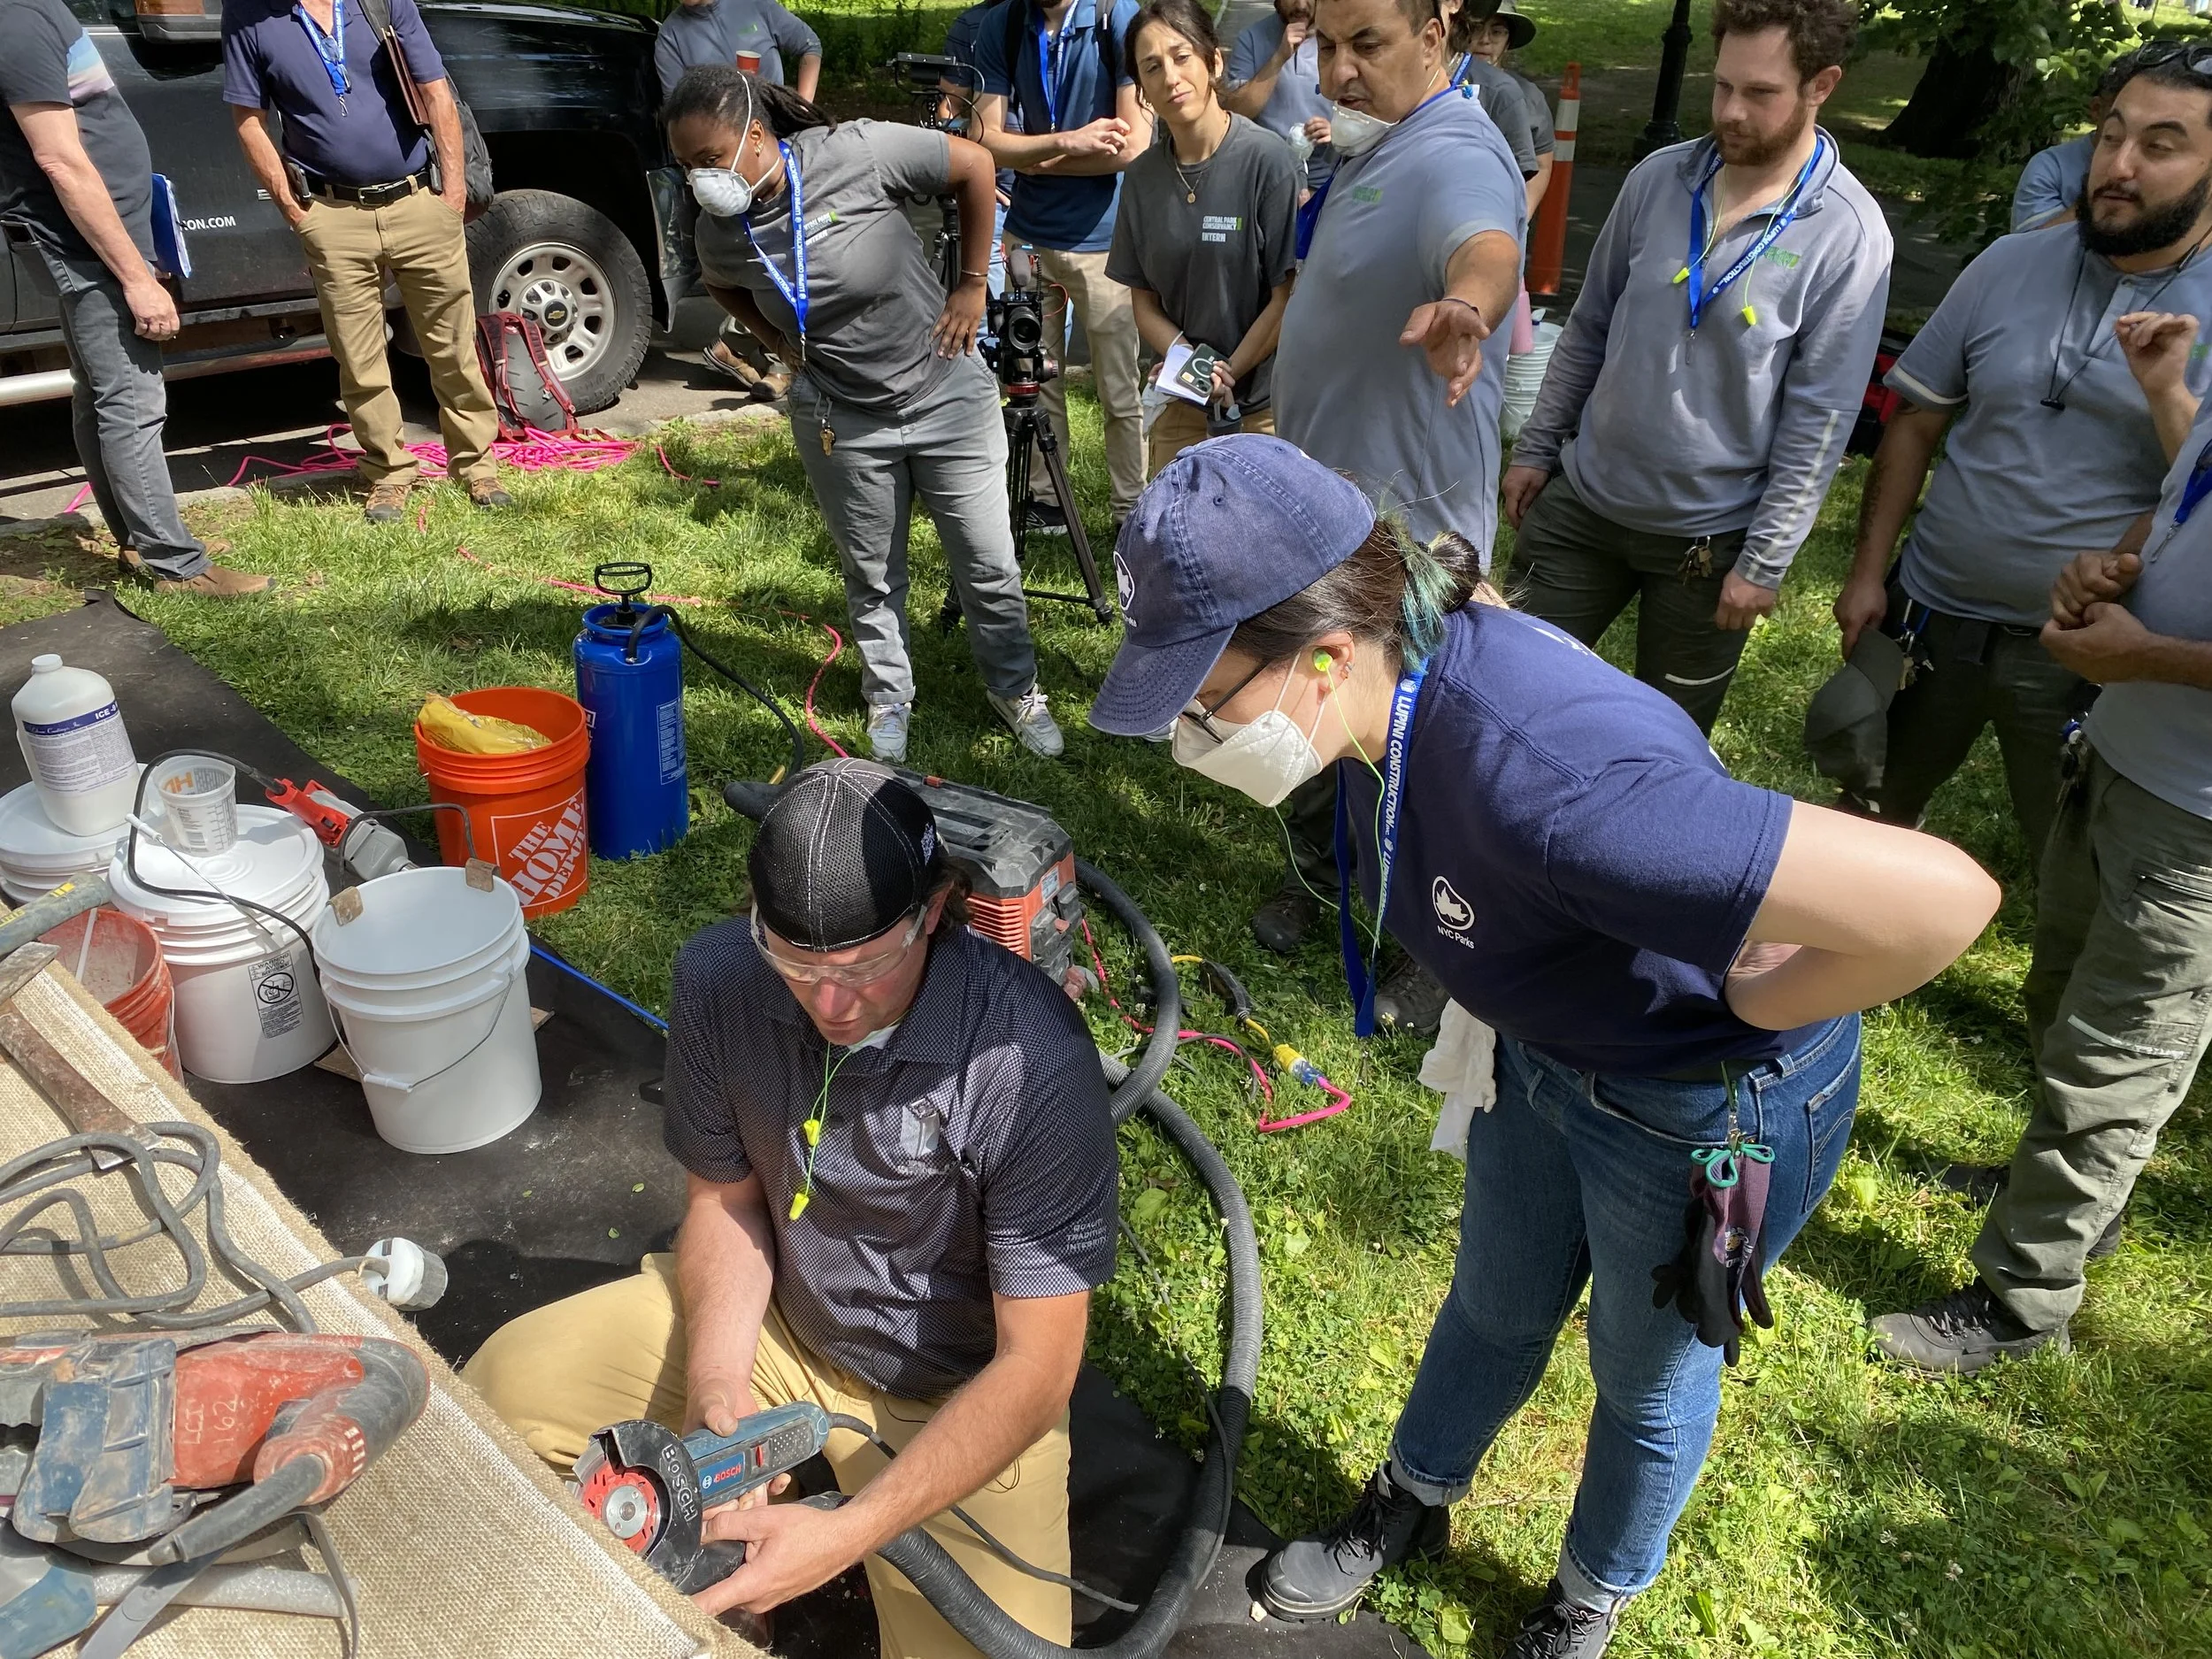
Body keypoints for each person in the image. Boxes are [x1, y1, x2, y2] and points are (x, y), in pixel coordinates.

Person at [1092, 436, 1998, 1657]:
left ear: (1324, 651)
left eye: (1206, 693)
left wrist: (1761, 1017)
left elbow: (1949, 898)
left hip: (1690, 1106)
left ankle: (1590, 1590)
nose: (1195, 729)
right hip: (1543, 1055)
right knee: (1493, 1300)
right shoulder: (1393, 678)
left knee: (1647, 1374)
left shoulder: (1563, 788)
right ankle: (1414, 1495)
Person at [467, 759, 1117, 1659]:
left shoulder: (1030, 1060)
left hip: (956, 1394)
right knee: (505, 1385)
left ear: (934, 911)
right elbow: (727, 1207)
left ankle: (812, 1531)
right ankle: (709, 1588)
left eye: (867, 965)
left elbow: (1037, 1368)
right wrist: (717, 1402)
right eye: (797, 964)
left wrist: (848, 1535)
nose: (831, 1003)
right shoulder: (721, 976)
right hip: (784, 1328)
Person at [1871, 291, 2212, 1376]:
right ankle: (2060, 1199)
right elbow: (2173, 509)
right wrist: (2110, 568)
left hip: (2195, 822)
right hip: (2118, 757)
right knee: (2060, 998)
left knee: (2115, 1058)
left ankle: (2022, 1300)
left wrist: (2148, 656)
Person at [1835, 42, 2212, 870]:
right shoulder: (2009, 261)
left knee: (2076, 859)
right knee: (1863, 816)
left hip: (2086, 644)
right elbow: (1914, 422)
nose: (2118, 165)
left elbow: (2203, 501)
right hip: (1931, 614)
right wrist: (1869, 573)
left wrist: (2167, 395)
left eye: (2160, 145)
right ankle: (1813, 978)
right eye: (2111, 136)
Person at [1503, 0, 1887, 738]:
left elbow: (1822, 417)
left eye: (1761, 93)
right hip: (1585, 502)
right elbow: (1588, 325)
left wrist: (1765, 563)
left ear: (1823, 85)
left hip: (1709, 547)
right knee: (1514, 701)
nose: (1732, 112)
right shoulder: (1660, 178)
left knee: (1662, 745)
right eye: (1722, 87)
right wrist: (1537, 447)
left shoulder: (1847, 231)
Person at [1254, 0, 1525, 1033]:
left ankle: (1437, 946)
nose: (1338, 70)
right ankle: (1332, 883)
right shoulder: (1376, 144)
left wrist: (1470, 305)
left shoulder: (1454, 144)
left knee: (1417, 741)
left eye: (1366, 44)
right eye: (1325, 44)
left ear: (1435, 35)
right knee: (1334, 710)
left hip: (1408, 527)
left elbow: (1483, 241)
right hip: (1334, 513)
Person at [664, 67, 1064, 763]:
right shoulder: (719, 230)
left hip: (944, 391)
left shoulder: (854, 152)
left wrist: (972, 285)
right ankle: (889, 693)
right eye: (685, 166)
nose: (701, 179)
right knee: (872, 573)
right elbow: (724, 284)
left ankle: (1016, 688)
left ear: (755, 138)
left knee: (987, 562)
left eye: (708, 160)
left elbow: (975, 164)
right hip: (840, 414)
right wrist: (778, 341)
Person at [0, 0, 269, 595]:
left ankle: (139, 537)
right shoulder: (14, 22)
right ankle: (177, 566)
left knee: (100, 395)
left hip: (104, 239)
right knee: (130, 400)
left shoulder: (31, 10)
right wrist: (137, 278)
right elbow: (61, 161)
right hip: (93, 248)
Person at [222, 0, 509, 524]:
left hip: (419, 202)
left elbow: (436, 91)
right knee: (358, 357)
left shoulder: (380, 1)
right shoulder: (249, 15)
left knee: (451, 345)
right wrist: (295, 210)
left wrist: (452, 195)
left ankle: (476, 466)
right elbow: (248, 121)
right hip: (332, 214)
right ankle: (389, 472)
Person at [972, 0, 1151, 534]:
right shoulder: (1003, 23)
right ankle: (1046, 501)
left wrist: (1031, 157)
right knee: (1031, 379)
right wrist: (1065, 143)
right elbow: (984, 140)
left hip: (1104, 242)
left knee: (1118, 388)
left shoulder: (1115, 15)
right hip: (1027, 234)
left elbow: (1133, 147)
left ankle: (1131, 512)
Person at [1108, 0, 1299, 475]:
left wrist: (1227, 372)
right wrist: (1192, 369)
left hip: (1264, 408)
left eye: (1182, 56)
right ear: (1143, 91)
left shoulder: (1267, 161)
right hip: (1182, 403)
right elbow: (1144, 304)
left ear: (1214, 61)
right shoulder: (1142, 178)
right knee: (1173, 540)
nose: (1170, 76)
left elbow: (1286, 297)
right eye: (1152, 67)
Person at [654, 0, 820, 396]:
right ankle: (769, 355)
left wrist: (802, 104)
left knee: (794, 250)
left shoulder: (755, 6)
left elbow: (809, 45)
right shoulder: (672, 35)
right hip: (724, 167)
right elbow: (681, 108)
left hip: (776, 154)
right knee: (752, 259)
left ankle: (745, 349)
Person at [1224, 0, 1333, 195]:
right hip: (1267, 176)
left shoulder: (1340, 38)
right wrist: (1279, 58)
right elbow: (1235, 114)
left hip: (1326, 179)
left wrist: (1337, 131)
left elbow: (1368, 110)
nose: (1300, 5)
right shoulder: (1251, 39)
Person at [1461, 0, 1552, 216]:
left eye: (1497, 32)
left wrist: (1520, 217)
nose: (1485, 40)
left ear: (1508, 42)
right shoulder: (1439, 84)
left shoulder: (1529, 96)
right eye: (1477, 28)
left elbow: (1542, 164)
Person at [2012, 64, 2124, 232]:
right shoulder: (2050, 167)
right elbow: (2029, 248)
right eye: (2123, 114)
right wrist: (2100, 194)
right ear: (2097, 109)